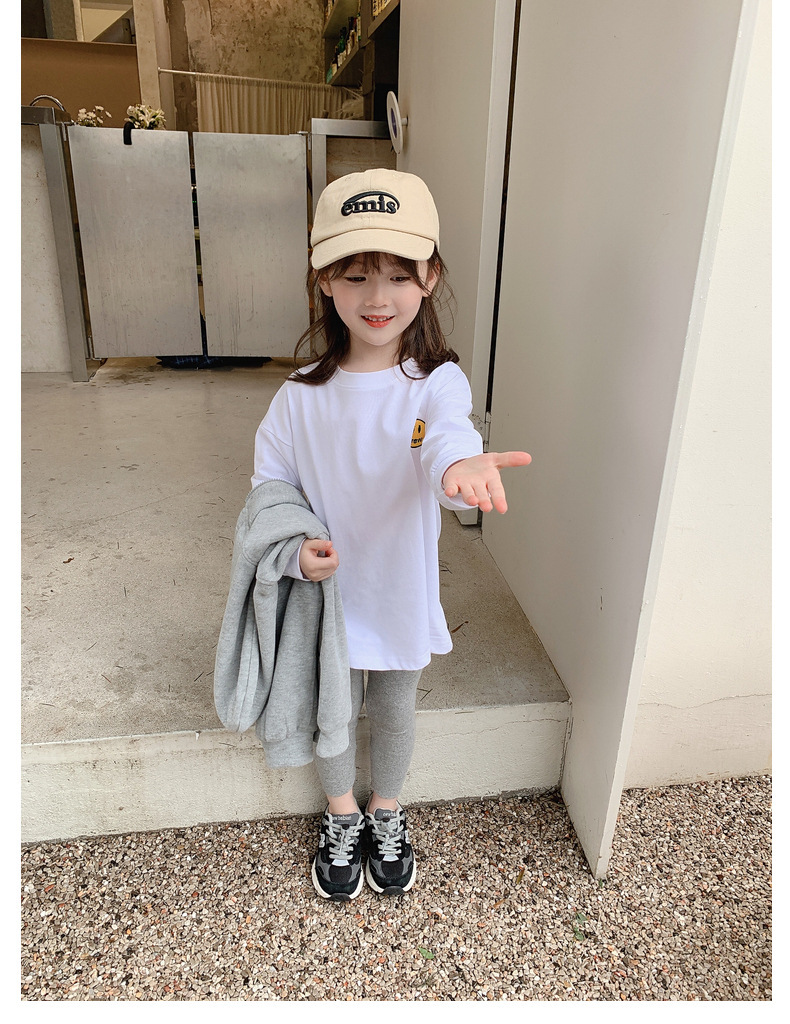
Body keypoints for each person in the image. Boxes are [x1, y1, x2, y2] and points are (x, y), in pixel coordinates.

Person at [250, 168, 531, 900]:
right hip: (329, 592)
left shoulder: (436, 383)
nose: (378, 297)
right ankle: (341, 812)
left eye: (399, 275)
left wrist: (460, 466)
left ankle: (387, 809)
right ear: (325, 280)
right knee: (334, 707)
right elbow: (270, 489)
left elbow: (445, 438)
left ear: (429, 278)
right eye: (357, 275)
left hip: (399, 587)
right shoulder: (298, 396)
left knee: (396, 705)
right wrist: (292, 551)